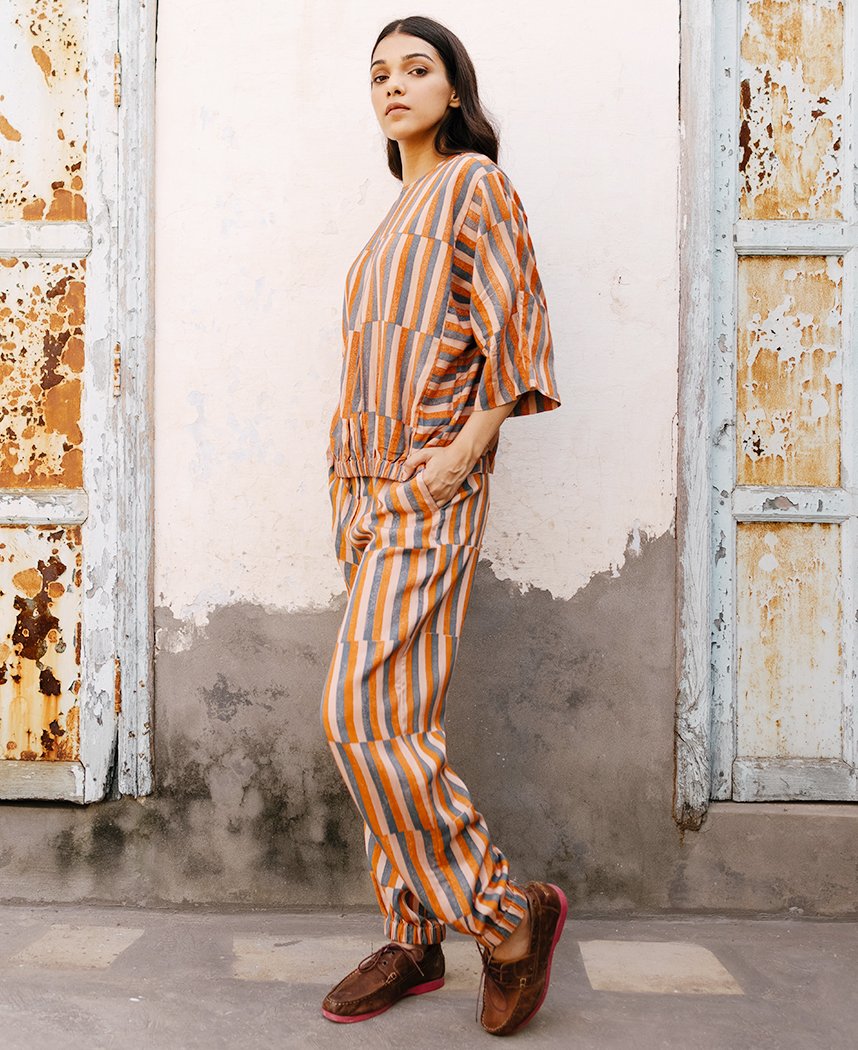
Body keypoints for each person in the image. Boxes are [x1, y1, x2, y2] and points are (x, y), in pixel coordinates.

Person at [320, 14, 566, 1037]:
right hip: (363, 492)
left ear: (453, 90)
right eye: (378, 72)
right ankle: (413, 936)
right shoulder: (399, 210)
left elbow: (517, 330)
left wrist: (461, 454)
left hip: (428, 484)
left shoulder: (474, 185)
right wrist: (352, 494)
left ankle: (507, 917)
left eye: (415, 69)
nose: (393, 85)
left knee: (357, 716)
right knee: (400, 719)